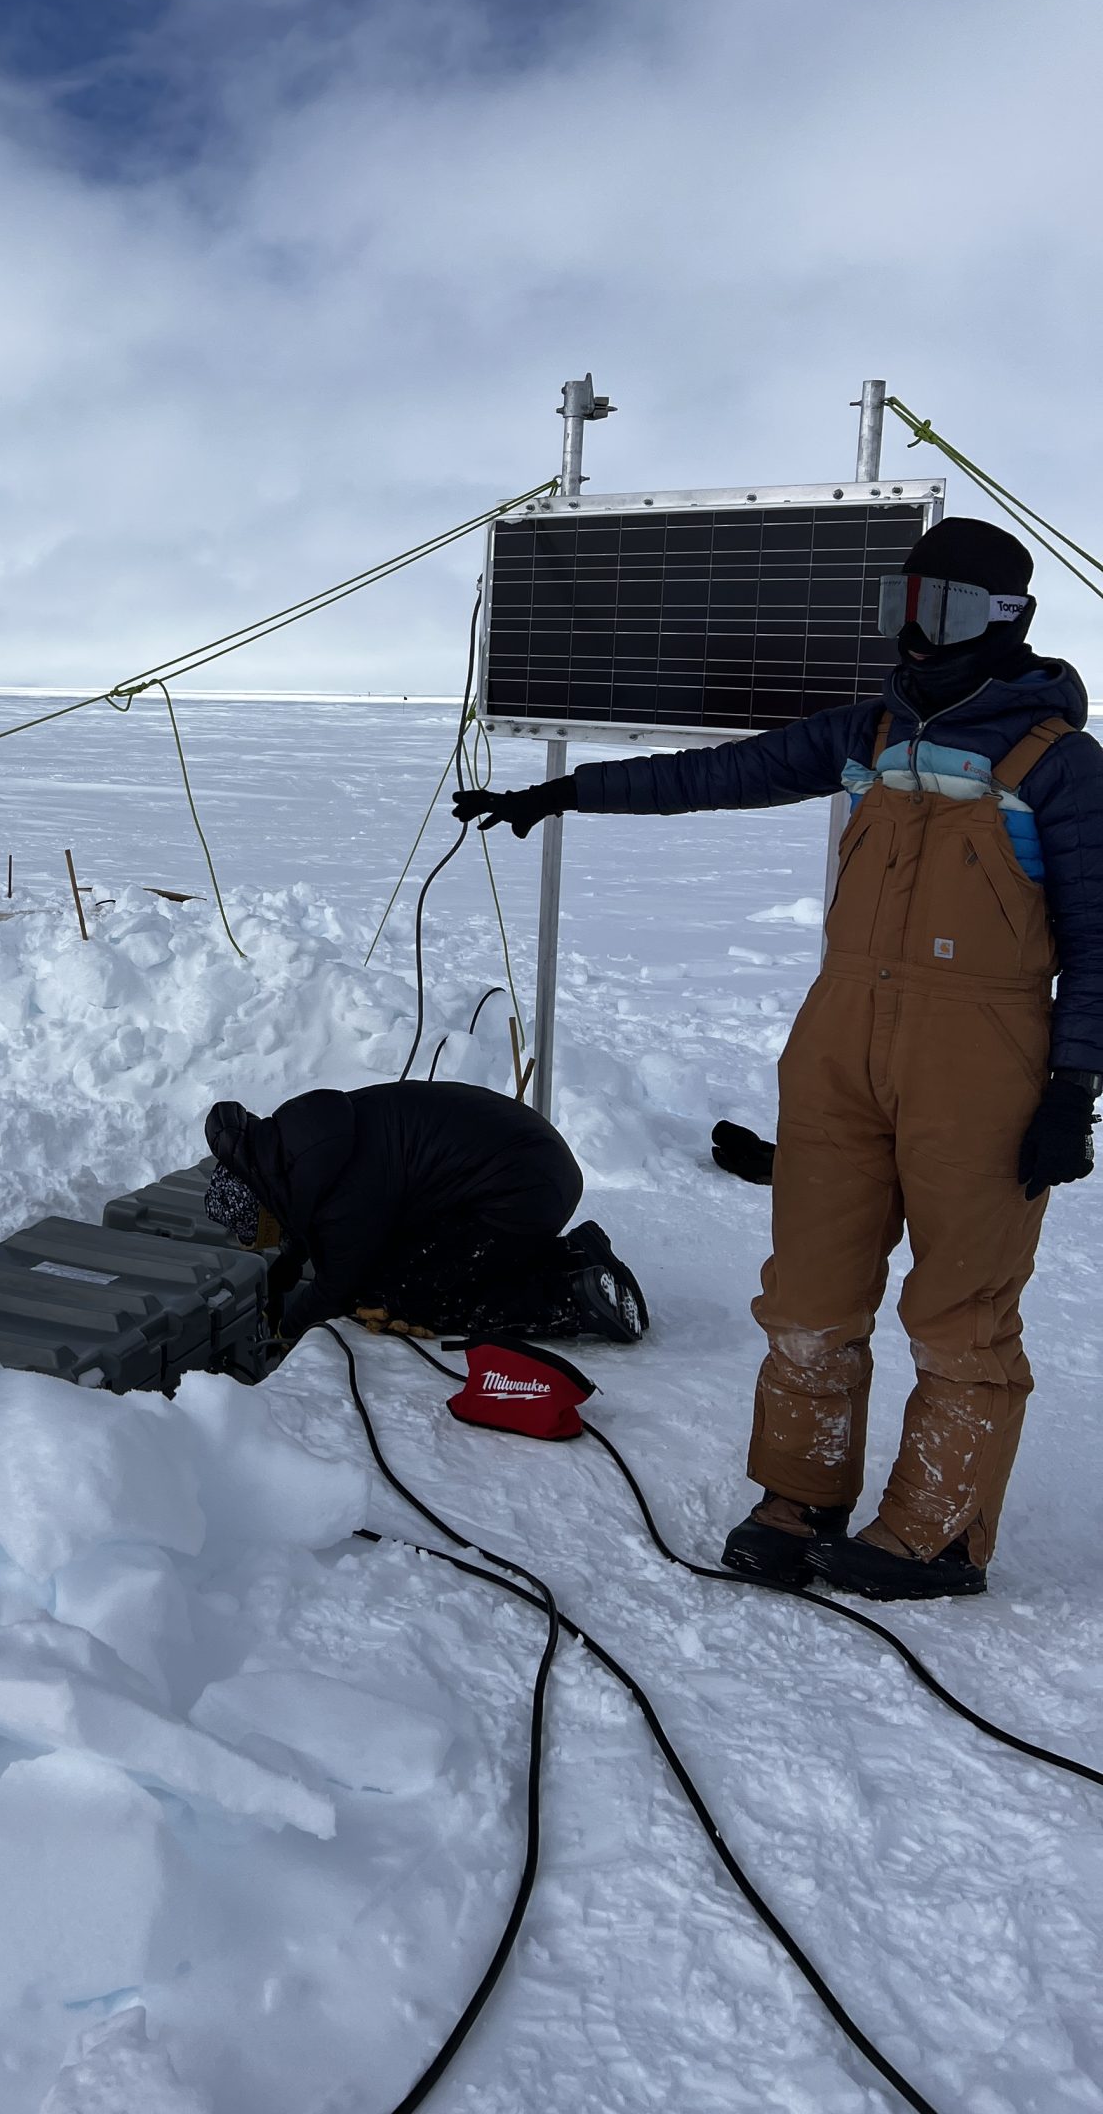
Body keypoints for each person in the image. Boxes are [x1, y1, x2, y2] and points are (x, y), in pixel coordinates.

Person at [456, 515, 1102, 1601]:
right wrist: (562, 793)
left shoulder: (1060, 764)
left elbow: (1096, 938)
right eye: (906, 603)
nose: (915, 631)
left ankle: (936, 1530)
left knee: (961, 1307)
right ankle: (800, 1494)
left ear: (1007, 621)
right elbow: (721, 773)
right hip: (841, 1044)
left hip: (981, 1064)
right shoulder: (869, 729)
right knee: (810, 1286)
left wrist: (1072, 1088)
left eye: (940, 610)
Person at [201, 1080, 647, 1348]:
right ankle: (574, 1256)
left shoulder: (342, 1198)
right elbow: (310, 1209)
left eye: (252, 1233)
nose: (250, 1243)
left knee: (405, 1296)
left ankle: (572, 1300)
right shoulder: (301, 1143)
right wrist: (287, 1267)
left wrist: (289, 1328)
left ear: (262, 1206)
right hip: (530, 1162)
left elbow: (340, 1285)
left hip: (521, 1191)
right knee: (421, 1259)